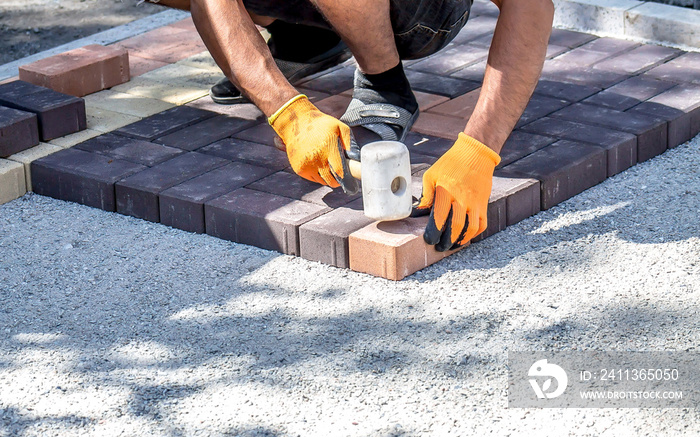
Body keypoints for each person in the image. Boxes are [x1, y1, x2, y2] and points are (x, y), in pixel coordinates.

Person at [144, 0, 554, 251]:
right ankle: (305, 36)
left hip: (423, 14)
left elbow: (532, 5)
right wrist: (289, 115)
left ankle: (383, 83)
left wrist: (477, 152)